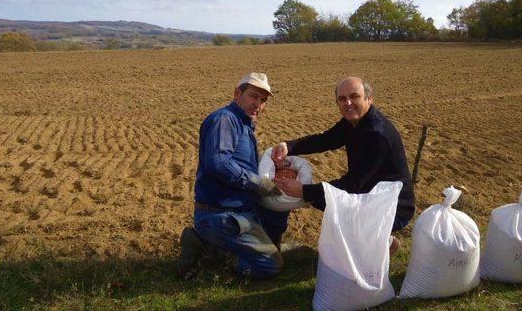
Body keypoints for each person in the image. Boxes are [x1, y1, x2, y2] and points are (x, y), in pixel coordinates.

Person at [272, 76, 415, 253]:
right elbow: (326, 139)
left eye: (354, 96)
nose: (348, 103)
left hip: (393, 206)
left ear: (369, 98)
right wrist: (289, 146)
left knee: (325, 200)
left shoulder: (376, 134)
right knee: (323, 199)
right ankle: (379, 240)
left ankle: (380, 239)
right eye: (342, 99)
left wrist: (304, 191)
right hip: (369, 192)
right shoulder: (353, 122)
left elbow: (353, 184)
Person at [177, 72, 287, 280]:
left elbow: (238, 162)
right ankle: (209, 251)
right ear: (238, 93)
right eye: (254, 96)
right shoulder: (225, 120)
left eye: (263, 100)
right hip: (223, 216)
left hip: (241, 211)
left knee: (277, 217)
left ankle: (211, 244)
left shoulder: (243, 123)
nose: (259, 104)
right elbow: (218, 164)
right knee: (272, 266)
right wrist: (257, 183)